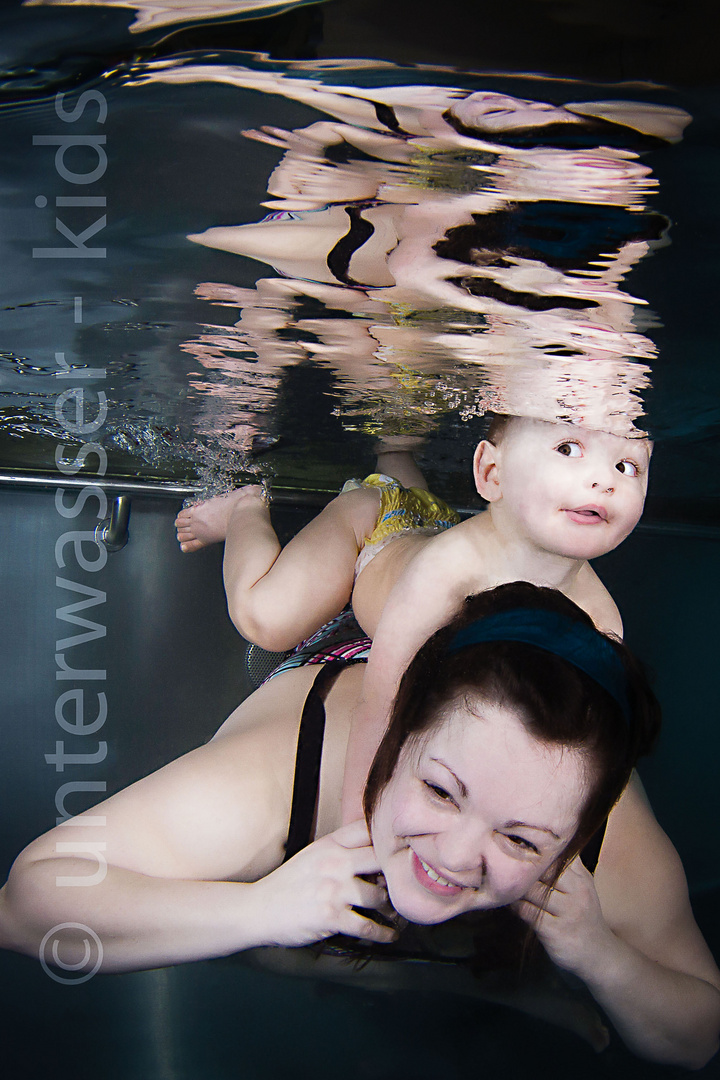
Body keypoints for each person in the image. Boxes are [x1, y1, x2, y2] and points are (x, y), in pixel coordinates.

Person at [0, 582, 717, 1067]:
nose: (460, 858)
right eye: (440, 791)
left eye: (522, 838)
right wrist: (258, 906)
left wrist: (601, 957)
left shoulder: (606, 827)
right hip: (352, 651)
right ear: (393, 735)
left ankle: (470, 972)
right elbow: (24, 905)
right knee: (267, 945)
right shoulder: (282, 768)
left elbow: (701, 1034)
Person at [175, 415, 652, 818]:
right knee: (266, 618)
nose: (605, 480)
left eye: (627, 465)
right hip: (373, 529)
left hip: (431, 524)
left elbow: (586, 741)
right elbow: (378, 708)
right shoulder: (443, 576)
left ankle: (396, 437)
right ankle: (245, 507)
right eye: (568, 448)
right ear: (491, 473)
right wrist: (356, 835)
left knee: (407, 470)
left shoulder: (598, 615)